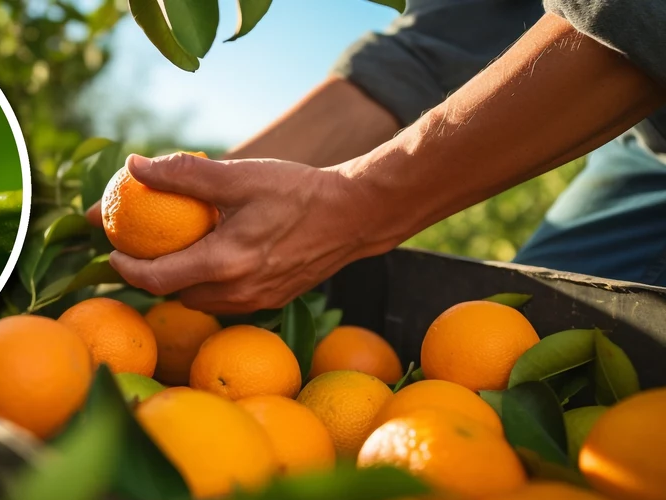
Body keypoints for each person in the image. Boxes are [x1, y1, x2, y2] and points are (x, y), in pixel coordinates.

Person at [87, 2, 666, 315]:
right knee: (532, 336)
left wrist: (362, 204)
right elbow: (438, 44)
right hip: (651, 149)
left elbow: (634, 16)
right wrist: (205, 195)